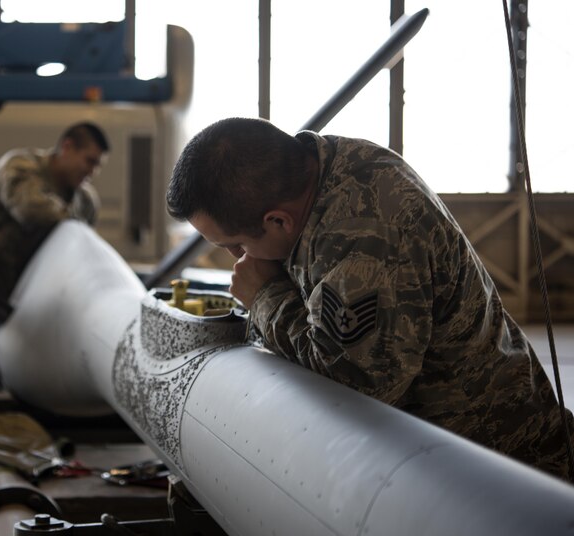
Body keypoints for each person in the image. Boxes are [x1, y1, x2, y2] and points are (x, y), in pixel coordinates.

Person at [166, 116, 574, 481]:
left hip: (498, 462)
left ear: (277, 220)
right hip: (446, 447)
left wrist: (265, 296)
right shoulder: (319, 170)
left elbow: (357, 386)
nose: (236, 260)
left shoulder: (365, 239)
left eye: (234, 245)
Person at [0, 122, 109, 382]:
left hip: (16, 307)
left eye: (98, 166)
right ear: (67, 147)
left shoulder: (85, 203)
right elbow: (31, 210)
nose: (92, 172)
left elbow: (81, 251)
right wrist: (73, 224)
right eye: (89, 161)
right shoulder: (21, 167)